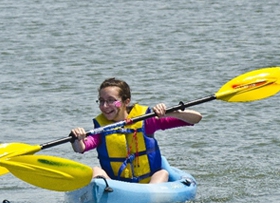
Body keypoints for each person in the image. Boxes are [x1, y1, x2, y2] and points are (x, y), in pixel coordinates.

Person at [70, 78, 202, 184]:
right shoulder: (101, 128)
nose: (105, 106)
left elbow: (195, 118)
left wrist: (172, 113)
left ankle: (150, 201)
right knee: (96, 171)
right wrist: (77, 138)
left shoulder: (146, 120)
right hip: (118, 187)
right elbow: (80, 148)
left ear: (126, 101)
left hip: (148, 185)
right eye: (102, 101)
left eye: (111, 101)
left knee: (162, 173)